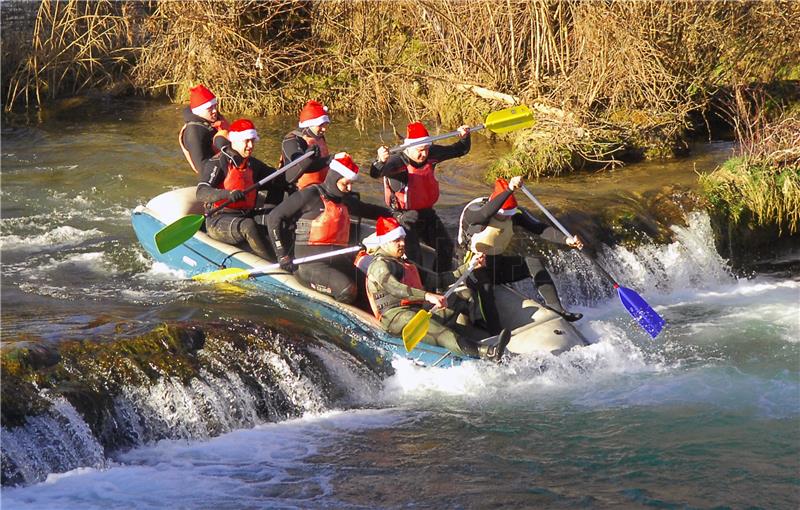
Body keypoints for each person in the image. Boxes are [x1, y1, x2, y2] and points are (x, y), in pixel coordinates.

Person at [365, 216, 511, 362]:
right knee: (437, 331)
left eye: (402, 238)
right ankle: (486, 352)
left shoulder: (404, 263)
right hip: (394, 317)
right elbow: (396, 289)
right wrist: (428, 296)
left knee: (462, 296)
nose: (402, 243)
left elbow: (439, 279)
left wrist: (469, 266)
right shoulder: (379, 266)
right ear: (384, 242)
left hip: (416, 311)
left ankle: (469, 334)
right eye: (396, 240)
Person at [457, 176, 584, 334]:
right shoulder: (475, 211)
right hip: (471, 268)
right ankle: (495, 332)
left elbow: (539, 228)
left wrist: (567, 240)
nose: (508, 218)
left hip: (497, 264)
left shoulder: (513, 213)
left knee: (533, 263)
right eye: (504, 215)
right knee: (485, 286)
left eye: (510, 215)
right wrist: (509, 189)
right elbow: (484, 214)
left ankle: (556, 308)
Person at [267, 153, 391, 304]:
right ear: (334, 179)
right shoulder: (310, 195)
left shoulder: (345, 200)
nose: (349, 188)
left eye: (351, 184)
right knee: (347, 290)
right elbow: (274, 217)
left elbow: (368, 210)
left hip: (337, 262)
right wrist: (281, 254)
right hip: (309, 265)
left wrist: (394, 215)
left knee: (372, 285)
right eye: (346, 184)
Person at [369, 121, 471, 275]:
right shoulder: (396, 163)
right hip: (403, 217)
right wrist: (380, 161)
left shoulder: (432, 154)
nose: (424, 154)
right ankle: (419, 287)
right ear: (408, 147)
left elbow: (460, 150)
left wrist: (465, 137)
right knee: (415, 257)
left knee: (446, 248)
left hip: (426, 213)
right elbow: (375, 173)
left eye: (426, 149)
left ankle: (439, 283)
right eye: (420, 150)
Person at [196, 118, 288, 261]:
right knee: (248, 226)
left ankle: (280, 242)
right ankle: (273, 262)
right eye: (246, 141)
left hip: (246, 214)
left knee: (278, 187)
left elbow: (275, 178)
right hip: (219, 219)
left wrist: (291, 173)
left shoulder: (252, 163)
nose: (250, 145)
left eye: (253, 140)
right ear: (235, 141)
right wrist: (227, 194)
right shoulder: (217, 162)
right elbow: (201, 192)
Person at [280, 100, 332, 190]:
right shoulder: (291, 140)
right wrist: (331, 159)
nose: (324, 129)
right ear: (309, 124)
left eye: (325, 125)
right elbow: (300, 164)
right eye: (320, 125)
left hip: (321, 187)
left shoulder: (319, 137)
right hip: (299, 190)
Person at [179, 84, 229, 174]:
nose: (214, 111)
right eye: (210, 108)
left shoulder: (213, 119)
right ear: (199, 111)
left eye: (215, 106)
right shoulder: (194, 133)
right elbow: (202, 168)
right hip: (217, 174)